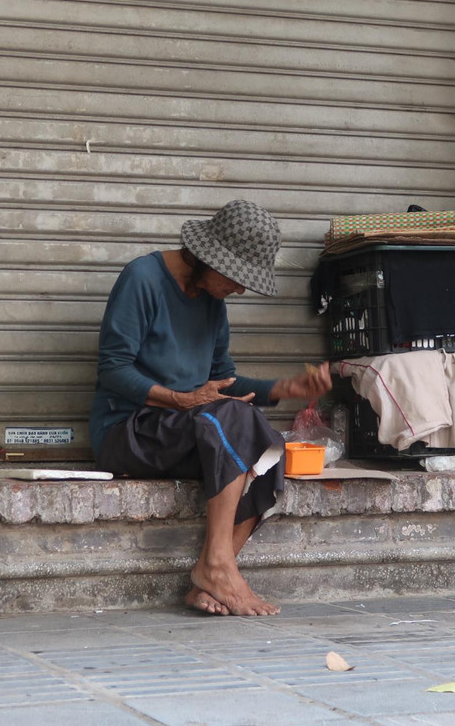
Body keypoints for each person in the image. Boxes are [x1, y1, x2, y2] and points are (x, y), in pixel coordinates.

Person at [90, 200, 332, 616]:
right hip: (128, 431)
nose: (240, 289)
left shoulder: (212, 302)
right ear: (208, 257)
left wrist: (283, 388)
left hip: (184, 431)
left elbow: (223, 382)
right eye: (236, 277)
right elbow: (113, 369)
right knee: (235, 418)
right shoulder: (143, 278)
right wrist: (180, 400)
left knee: (267, 443)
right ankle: (218, 567)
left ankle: (214, 570)